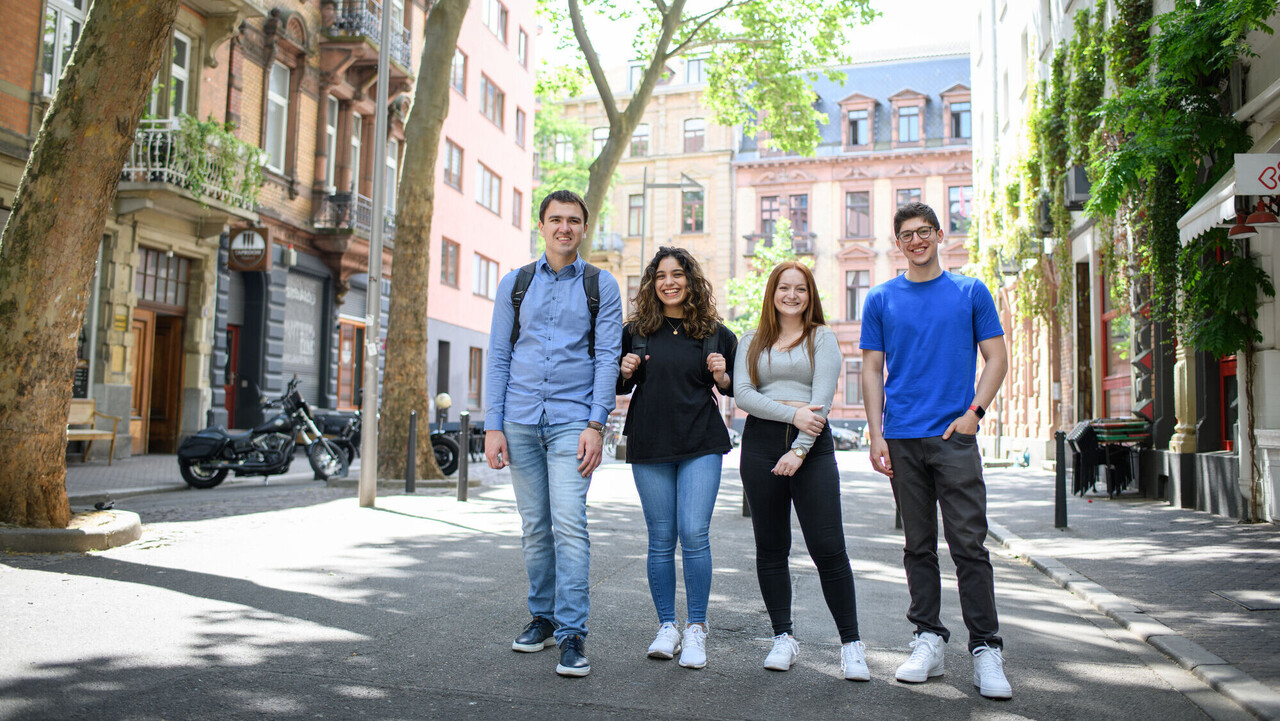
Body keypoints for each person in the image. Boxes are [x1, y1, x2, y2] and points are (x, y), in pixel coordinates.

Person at [859, 201, 1012, 699]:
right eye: (908, 234)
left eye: (925, 231)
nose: (917, 240)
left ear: (940, 234)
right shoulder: (881, 299)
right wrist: (876, 432)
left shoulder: (970, 290)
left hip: (954, 438)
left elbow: (996, 357)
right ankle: (928, 638)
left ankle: (986, 648)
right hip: (902, 439)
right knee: (917, 546)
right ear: (897, 242)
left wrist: (975, 413)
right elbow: (871, 369)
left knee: (969, 544)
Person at [484, 189, 623, 678]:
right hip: (520, 420)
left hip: (571, 422)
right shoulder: (514, 284)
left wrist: (595, 424)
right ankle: (541, 617)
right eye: (555, 219)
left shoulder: (601, 286)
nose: (564, 227)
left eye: (573, 220)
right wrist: (492, 426)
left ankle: (571, 634)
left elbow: (607, 357)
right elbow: (499, 356)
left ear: (585, 228)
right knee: (535, 528)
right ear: (540, 225)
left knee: (569, 523)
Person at [732, 261, 869, 681]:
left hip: (812, 448)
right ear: (772, 292)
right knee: (771, 548)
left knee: (828, 549)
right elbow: (743, 396)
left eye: (801, 289)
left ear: (810, 296)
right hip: (758, 446)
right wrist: (792, 412)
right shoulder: (750, 340)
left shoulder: (822, 337)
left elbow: (822, 401)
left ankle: (852, 645)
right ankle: (783, 637)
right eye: (784, 288)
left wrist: (799, 448)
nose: (792, 295)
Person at [617, 247, 737, 670]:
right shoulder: (635, 330)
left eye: (678, 274)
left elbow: (735, 387)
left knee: (694, 532)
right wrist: (626, 370)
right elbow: (614, 381)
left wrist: (723, 375)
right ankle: (667, 625)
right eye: (661, 275)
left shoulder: (715, 332)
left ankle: (696, 629)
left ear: (690, 280)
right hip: (650, 443)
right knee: (661, 537)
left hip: (701, 441)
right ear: (652, 283)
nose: (669, 282)